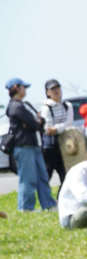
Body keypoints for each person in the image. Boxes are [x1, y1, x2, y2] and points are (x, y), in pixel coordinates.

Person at [5, 78, 58, 212]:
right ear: (17, 88)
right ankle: (25, 207)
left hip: (34, 145)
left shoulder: (23, 105)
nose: (26, 90)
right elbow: (34, 123)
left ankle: (49, 204)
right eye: (24, 87)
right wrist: (36, 122)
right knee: (28, 179)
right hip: (23, 147)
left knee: (42, 177)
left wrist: (36, 122)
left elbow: (38, 122)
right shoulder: (15, 106)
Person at [39, 79, 74, 189]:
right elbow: (48, 128)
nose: (56, 91)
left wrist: (57, 128)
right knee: (47, 172)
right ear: (47, 92)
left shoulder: (67, 105)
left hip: (64, 144)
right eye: (52, 89)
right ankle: (45, 200)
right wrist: (62, 127)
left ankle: (61, 198)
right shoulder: (46, 107)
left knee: (66, 174)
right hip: (50, 146)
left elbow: (69, 122)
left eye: (57, 88)